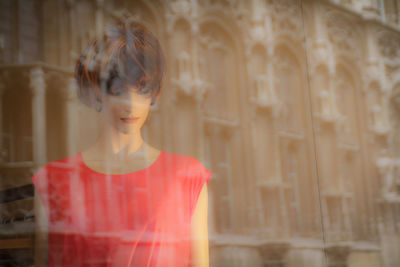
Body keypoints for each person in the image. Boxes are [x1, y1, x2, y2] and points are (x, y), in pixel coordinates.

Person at [31, 17, 212, 267]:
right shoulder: (53, 181)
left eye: (142, 88)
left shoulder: (186, 177)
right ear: (97, 92)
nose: (130, 103)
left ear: (154, 93)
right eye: (118, 90)